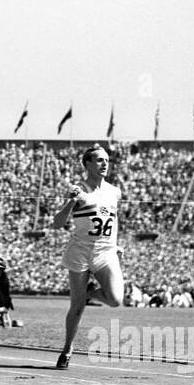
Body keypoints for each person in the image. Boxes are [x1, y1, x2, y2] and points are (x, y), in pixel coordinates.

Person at [50, 144, 124, 369]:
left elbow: (111, 220)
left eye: (107, 160)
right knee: (77, 306)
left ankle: (91, 292)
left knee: (115, 300)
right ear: (88, 164)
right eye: (99, 160)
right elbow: (57, 223)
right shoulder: (79, 190)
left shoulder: (115, 191)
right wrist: (71, 201)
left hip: (105, 251)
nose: (105, 164)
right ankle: (67, 348)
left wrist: (114, 243)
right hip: (80, 251)